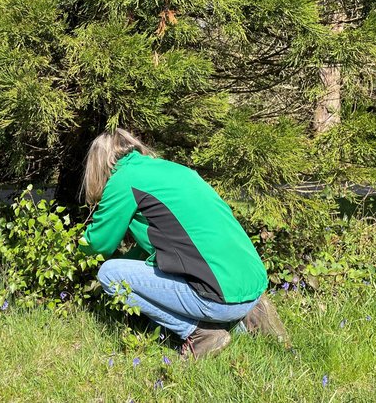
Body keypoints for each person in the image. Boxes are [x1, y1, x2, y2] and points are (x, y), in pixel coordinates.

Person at [78, 128, 288, 359]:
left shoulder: (123, 179)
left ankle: (201, 333)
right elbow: (155, 245)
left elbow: (98, 244)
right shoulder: (169, 170)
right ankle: (249, 315)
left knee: (109, 273)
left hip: (220, 298)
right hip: (252, 286)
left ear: (99, 165)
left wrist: (73, 252)